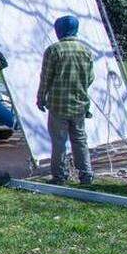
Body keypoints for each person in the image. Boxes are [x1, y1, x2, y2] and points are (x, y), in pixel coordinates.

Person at [36, 15, 94, 185]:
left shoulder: (54, 50)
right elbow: (90, 77)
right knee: (80, 140)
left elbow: (45, 78)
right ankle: (86, 174)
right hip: (79, 104)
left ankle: (60, 176)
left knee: (59, 142)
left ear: (59, 31)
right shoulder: (86, 51)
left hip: (58, 104)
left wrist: (41, 97)